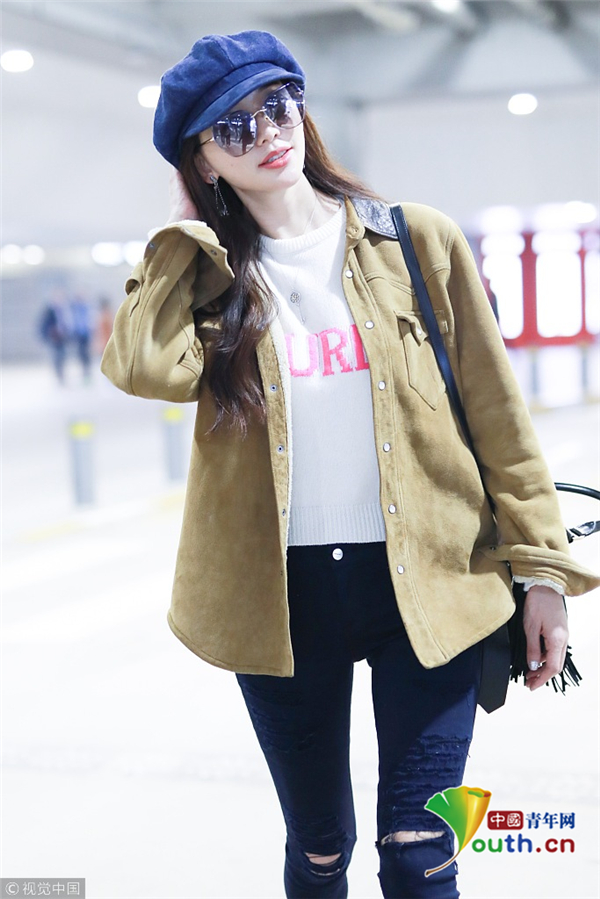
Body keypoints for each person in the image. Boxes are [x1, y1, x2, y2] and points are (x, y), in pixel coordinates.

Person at [101, 31, 599, 899]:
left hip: (433, 582)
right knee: (321, 850)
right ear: (204, 160)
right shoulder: (212, 282)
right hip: (281, 601)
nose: (267, 132)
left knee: (420, 848)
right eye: (234, 127)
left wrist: (545, 573)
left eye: (277, 106)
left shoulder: (417, 243)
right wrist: (183, 241)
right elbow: (144, 368)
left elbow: (500, 421)